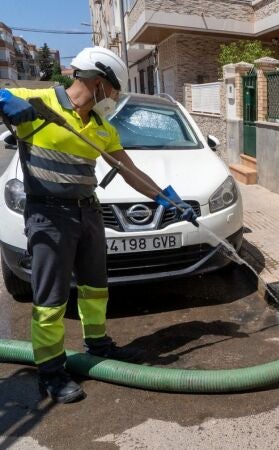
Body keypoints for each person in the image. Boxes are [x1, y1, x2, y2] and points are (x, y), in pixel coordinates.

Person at [0, 47, 197, 404]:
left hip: (88, 213)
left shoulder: (101, 129)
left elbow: (132, 172)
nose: (116, 98)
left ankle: (99, 345)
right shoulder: (39, 101)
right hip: (49, 215)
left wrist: (170, 201)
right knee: (50, 300)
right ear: (97, 81)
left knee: (95, 288)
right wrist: (3, 99)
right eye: (115, 89)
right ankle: (50, 371)